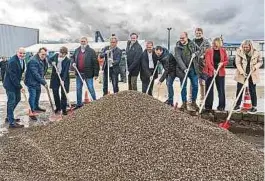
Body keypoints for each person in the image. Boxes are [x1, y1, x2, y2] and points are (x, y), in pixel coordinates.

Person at [234, 40, 263, 114]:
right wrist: (242, 72)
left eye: (247, 47)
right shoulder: (239, 51)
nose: (245, 49)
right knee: (239, 89)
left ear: (250, 46)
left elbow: (260, 61)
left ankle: (254, 107)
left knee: (252, 90)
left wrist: (255, 67)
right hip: (241, 73)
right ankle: (237, 105)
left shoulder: (256, 52)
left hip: (252, 73)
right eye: (244, 47)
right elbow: (238, 63)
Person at [174, 32, 201, 111]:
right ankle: (184, 103)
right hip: (183, 70)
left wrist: (195, 54)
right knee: (183, 86)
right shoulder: (177, 47)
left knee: (195, 85)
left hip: (193, 68)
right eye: (180, 38)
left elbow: (199, 50)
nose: (181, 40)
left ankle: (193, 102)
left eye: (183, 38)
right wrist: (184, 68)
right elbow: (178, 58)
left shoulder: (192, 44)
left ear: (187, 37)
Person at [72, 37, 99, 109]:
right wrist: (73, 63)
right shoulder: (77, 50)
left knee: (90, 88)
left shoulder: (91, 51)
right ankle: (79, 104)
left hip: (88, 74)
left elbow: (96, 63)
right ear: (80, 42)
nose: (83, 43)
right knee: (78, 89)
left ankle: (95, 103)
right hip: (79, 73)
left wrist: (96, 74)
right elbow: (73, 58)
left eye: (84, 41)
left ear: (87, 42)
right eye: (81, 41)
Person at [204, 37, 228, 111]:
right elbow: (207, 62)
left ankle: (221, 106)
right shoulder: (208, 51)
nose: (214, 46)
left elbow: (226, 61)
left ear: (219, 44)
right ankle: (208, 106)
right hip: (210, 72)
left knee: (221, 90)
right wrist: (213, 70)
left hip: (220, 73)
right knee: (209, 89)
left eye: (216, 44)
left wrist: (222, 63)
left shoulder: (223, 51)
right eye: (213, 44)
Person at [3, 48, 26, 128]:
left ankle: (9, 117)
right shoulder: (13, 61)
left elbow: (19, 72)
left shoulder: (22, 60)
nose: (22, 55)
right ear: (17, 52)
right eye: (20, 53)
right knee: (11, 101)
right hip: (10, 84)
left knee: (18, 98)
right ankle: (11, 123)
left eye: (24, 53)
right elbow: (13, 77)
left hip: (15, 84)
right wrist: (20, 87)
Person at [25, 47, 48, 118]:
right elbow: (35, 74)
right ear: (38, 53)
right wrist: (44, 82)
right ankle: (31, 111)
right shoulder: (33, 61)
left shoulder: (43, 59)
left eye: (45, 54)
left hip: (37, 81)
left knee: (38, 94)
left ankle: (36, 107)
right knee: (33, 96)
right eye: (42, 54)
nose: (43, 56)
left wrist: (43, 76)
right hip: (31, 81)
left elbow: (43, 69)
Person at [189, 28, 210, 105]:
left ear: (202, 33)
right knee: (193, 82)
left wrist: (204, 55)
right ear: (195, 33)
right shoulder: (191, 42)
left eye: (199, 33)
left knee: (202, 82)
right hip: (194, 65)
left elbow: (209, 52)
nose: (198, 34)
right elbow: (190, 51)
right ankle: (191, 98)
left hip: (203, 65)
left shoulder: (206, 42)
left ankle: (202, 98)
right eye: (197, 33)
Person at [49, 46, 71, 115]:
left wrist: (63, 79)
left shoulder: (68, 60)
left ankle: (64, 109)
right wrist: (52, 62)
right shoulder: (55, 56)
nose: (62, 55)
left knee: (63, 93)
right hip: (55, 77)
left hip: (64, 77)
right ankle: (58, 107)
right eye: (62, 53)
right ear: (60, 52)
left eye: (64, 54)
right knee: (55, 92)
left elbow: (66, 71)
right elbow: (49, 59)